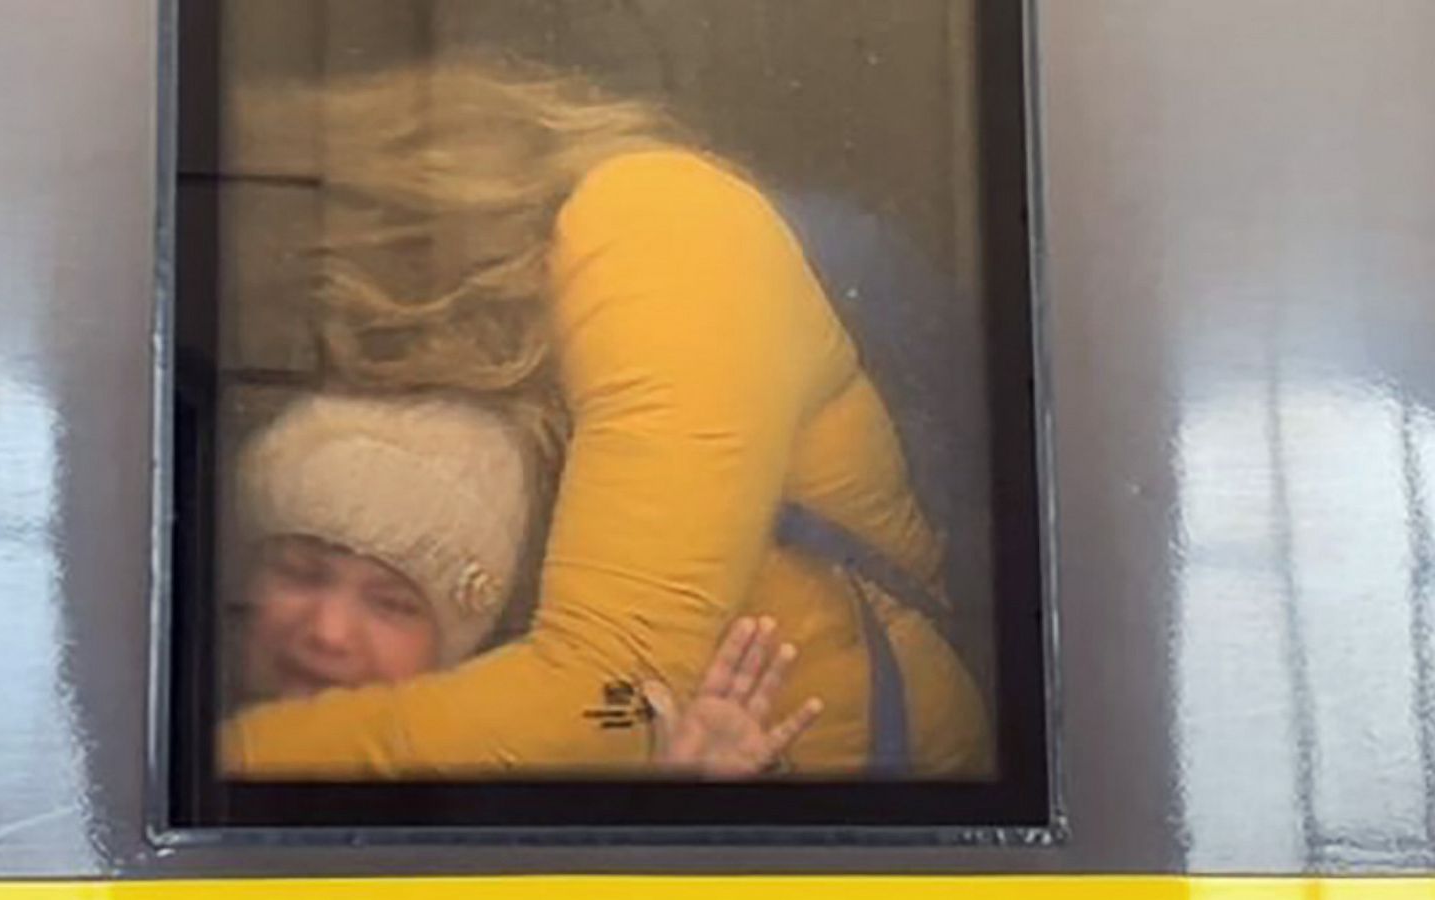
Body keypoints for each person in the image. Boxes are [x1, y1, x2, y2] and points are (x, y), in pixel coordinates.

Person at [219, 57, 990, 778]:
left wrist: (215, 758)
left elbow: (607, 692)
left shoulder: (663, 228)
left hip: (866, 803)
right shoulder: (511, 324)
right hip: (642, 792)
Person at [231, 391, 822, 776]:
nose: (328, 632)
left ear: (463, 641)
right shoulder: (165, 759)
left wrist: (685, 805)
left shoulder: (505, 776)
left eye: (391, 604)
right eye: (301, 575)